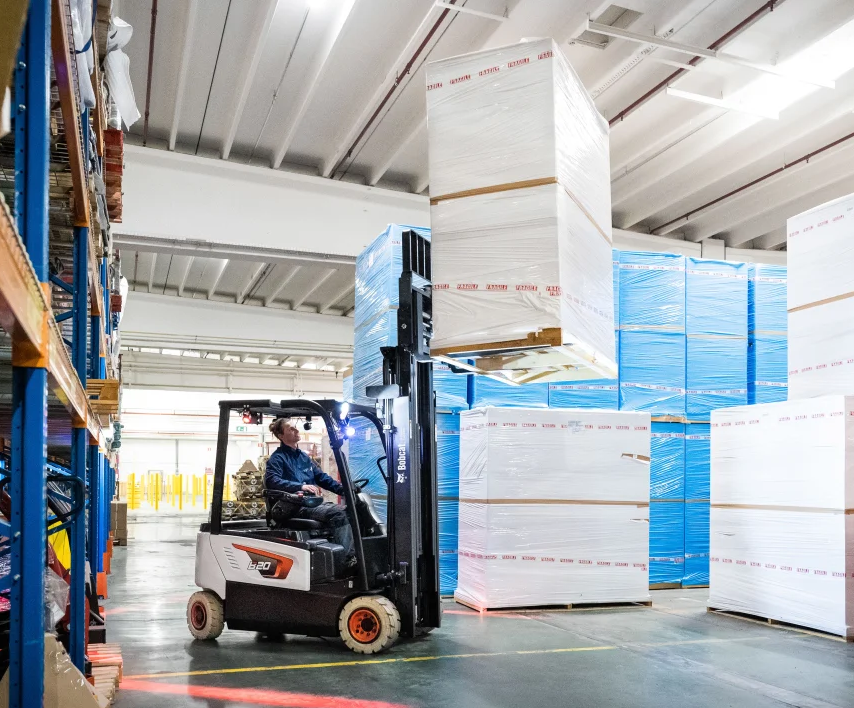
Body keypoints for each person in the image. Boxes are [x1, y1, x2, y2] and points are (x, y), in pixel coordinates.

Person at [264, 417, 355, 564]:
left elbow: (322, 478)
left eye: (295, 427)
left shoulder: (304, 457)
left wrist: (345, 489)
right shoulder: (277, 458)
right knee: (337, 513)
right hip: (295, 506)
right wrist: (300, 486)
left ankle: (350, 553)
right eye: (291, 429)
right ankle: (347, 561)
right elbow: (272, 481)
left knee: (353, 510)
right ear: (281, 436)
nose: (296, 430)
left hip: (311, 503)